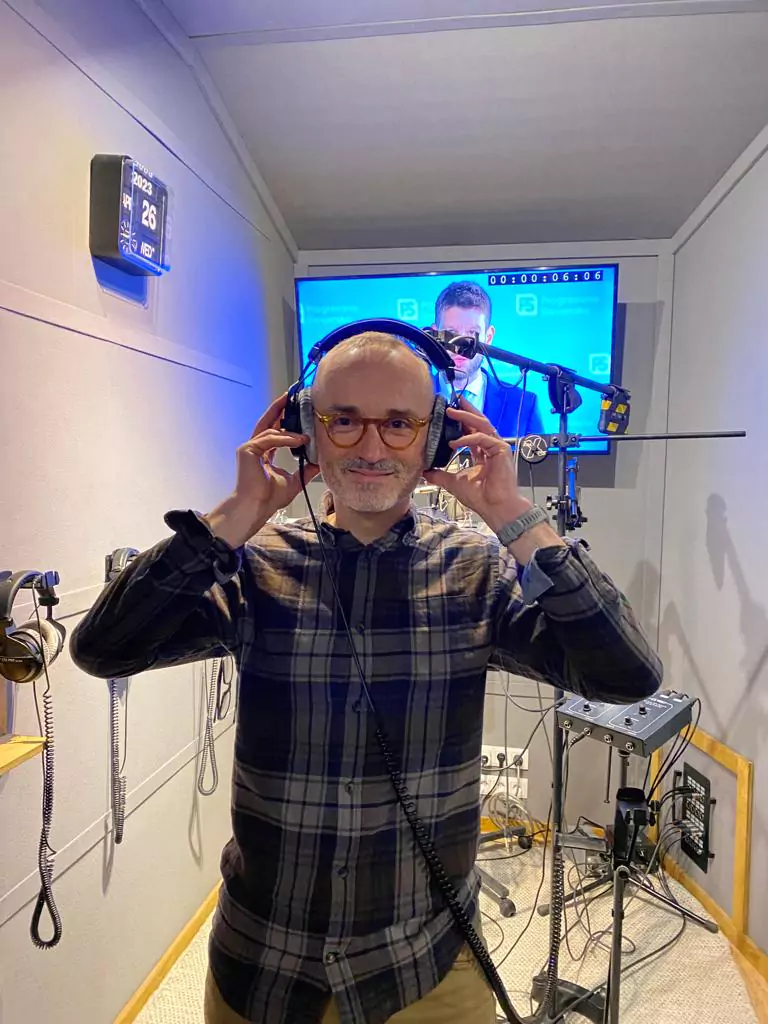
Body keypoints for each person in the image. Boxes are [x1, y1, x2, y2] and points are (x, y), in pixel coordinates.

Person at [70, 331, 662, 1024]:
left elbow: (628, 676)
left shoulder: (478, 570)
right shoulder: (254, 565)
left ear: (435, 437)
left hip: (425, 966)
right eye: (343, 420)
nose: (372, 447)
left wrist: (512, 516)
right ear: (306, 432)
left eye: (400, 423)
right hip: (263, 964)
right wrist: (235, 515)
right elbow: (103, 649)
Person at [433, 281, 544, 438]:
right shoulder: (411, 398)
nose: (460, 346)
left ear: (489, 337)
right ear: (435, 335)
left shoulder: (523, 404)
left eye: (472, 333)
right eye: (451, 332)